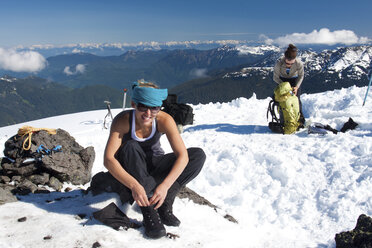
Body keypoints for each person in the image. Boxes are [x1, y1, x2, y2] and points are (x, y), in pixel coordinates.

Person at [103, 79, 206, 239]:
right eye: (143, 107)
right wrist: (134, 185)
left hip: (154, 164)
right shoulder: (123, 121)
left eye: (154, 108)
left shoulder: (164, 120)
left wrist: (165, 186)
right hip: (130, 168)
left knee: (197, 155)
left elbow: (183, 156)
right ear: (133, 104)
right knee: (130, 146)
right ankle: (149, 210)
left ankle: (164, 201)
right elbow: (109, 159)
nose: (148, 114)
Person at [273, 44, 305, 119]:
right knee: (281, 99)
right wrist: (284, 86)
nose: (289, 65)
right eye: (287, 63)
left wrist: (296, 87)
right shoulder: (279, 63)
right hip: (282, 81)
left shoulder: (299, 63)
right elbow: (275, 77)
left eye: (291, 63)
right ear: (285, 58)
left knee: (297, 100)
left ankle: (300, 118)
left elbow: (301, 76)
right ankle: (284, 118)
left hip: (294, 80)